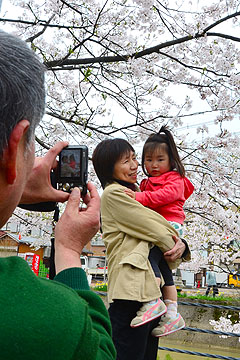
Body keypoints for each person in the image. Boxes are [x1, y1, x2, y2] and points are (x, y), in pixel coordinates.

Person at [0, 30, 116, 360]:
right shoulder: (51, 322)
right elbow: (99, 349)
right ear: (13, 149)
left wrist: (16, 188)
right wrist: (67, 249)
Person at [92, 138, 191, 360]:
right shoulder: (114, 194)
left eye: (135, 158)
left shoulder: (137, 193)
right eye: (126, 161)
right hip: (131, 292)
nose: (135, 165)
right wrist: (179, 245)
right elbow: (155, 229)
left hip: (149, 294)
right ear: (109, 168)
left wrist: (181, 244)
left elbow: (160, 227)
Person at [124, 126, 194, 336]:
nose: (153, 165)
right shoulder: (147, 182)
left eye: (160, 159)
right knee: (164, 269)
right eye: (148, 159)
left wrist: (139, 197)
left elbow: (162, 197)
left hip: (168, 224)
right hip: (160, 224)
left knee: (147, 258)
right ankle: (172, 313)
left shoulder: (175, 180)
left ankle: (153, 301)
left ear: (171, 160)